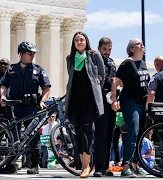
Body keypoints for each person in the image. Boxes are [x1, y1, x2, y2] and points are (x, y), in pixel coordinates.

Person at [0, 41, 51, 174]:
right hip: (14, 107)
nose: (32, 56)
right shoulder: (11, 69)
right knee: (12, 136)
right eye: (30, 53)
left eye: (33, 53)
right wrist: (3, 97)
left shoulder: (38, 69)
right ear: (21, 54)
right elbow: (4, 85)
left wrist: (43, 101)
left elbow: (46, 88)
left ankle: (34, 165)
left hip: (31, 108)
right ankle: (10, 164)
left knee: (33, 137)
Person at [64, 31, 105, 178]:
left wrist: (96, 93)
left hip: (89, 99)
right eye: (76, 40)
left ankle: (86, 166)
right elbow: (71, 79)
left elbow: (102, 75)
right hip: (75, 99)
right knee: (78, 131)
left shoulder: (94, 55)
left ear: (86, 41)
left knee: (86, 129)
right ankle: (84, 164)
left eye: (81, 40)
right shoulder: (70, 59)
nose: (79, 42)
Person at [111, 38, 150, 177]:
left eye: (142, 44)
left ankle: (135, 165)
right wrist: (114, 99)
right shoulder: (127, 63)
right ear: (132, 49)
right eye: (138, 44)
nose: (142, 45)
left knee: (140, 134)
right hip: (130, 101)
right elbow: (115, 81)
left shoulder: (143, 63)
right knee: (132, 132)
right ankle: (125, 165)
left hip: (142, 103)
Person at [93, 37, 116, 177]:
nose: (107, 52)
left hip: (110, 102)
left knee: (109, 135)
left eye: (109, 50)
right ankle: (98, 167)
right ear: (99, 48)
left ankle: (106, 166)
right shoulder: (95, 61)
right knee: (100, 135)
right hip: (99, 101)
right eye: (104, 49)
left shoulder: (112, 63)